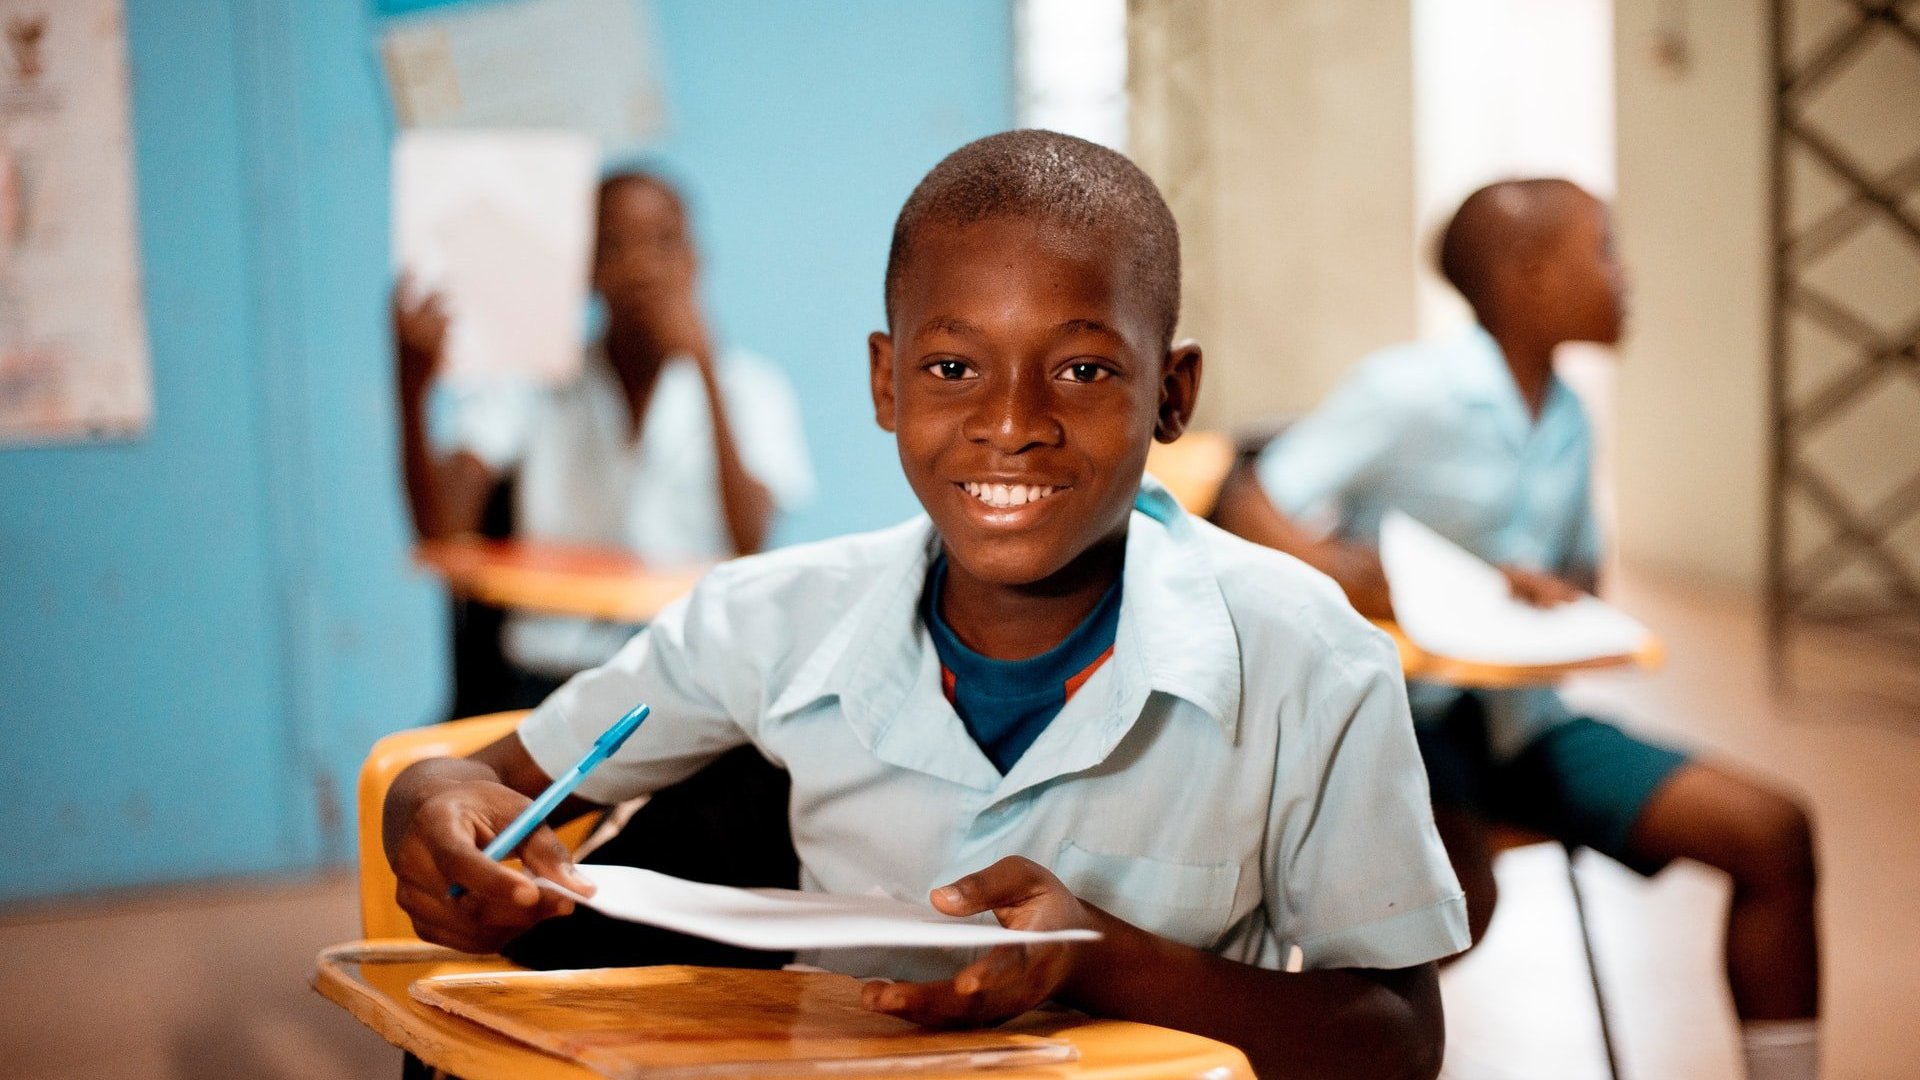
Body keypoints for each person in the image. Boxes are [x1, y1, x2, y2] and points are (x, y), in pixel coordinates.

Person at [382, 130, 1470, 1079]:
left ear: (1172, 394)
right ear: (886, 382)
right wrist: (426, 808)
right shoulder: (767, 620)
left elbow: (1397, 1041)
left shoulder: (1309, 658)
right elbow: (481, 783)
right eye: (954, 367)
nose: (1012, 422)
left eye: (1083, 372)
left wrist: (1107, 956)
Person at [1212, 179, 1822, 1080]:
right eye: (1605, 249)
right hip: (1407, 730)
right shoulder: (1409, 391)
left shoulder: (1569, 417)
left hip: (1523, 727)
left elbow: (1580, 577)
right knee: (1459, 902)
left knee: (1773, 834)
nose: (1625, 275)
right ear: (1530, 277)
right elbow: (1244, 498)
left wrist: (1548, 592)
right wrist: (1358, 578)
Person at [395, 170, 813, 684]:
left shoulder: (751, 388)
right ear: (587, 269)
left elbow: (751, 539)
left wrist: (704, 368)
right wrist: (412, 388)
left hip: (690, 676)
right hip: (547, 673)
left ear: (694, 260)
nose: (640, 267)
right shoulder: (534, 380)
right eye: (616, 245)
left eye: (662, 243)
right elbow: (443, 532)